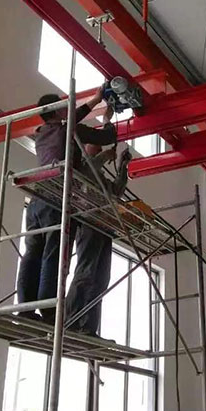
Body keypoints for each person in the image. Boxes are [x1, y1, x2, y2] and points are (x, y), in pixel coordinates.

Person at [17, 89, 117, 324]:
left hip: (37, 199)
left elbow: (72, 119)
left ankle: (25, 307)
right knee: (54, 253)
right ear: (58, 112)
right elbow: (105, 137)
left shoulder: (41, 133)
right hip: (57, 198)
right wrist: (108, 121)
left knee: (32, 253)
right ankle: (49, 310)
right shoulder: (70, 131)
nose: (67, 109)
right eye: (63, 107)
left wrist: (96, 99)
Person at [65, 143, 133, 337]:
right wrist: (104, 156)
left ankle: (89, 327)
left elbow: (116, 190)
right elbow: (90, 168)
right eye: (96, 148)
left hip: (105, 227)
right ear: (85, 150)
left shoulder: (100, 177)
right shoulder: (83, 168)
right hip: (89, 223)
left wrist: (123, 167)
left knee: (101, 279)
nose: (100, 150)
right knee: (86, 273)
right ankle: (70, 321)